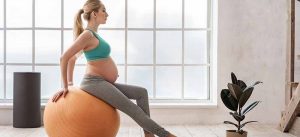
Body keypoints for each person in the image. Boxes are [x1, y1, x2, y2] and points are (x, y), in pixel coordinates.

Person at [51, 0, 177, 137]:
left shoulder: (93, 35)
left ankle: (148, 134)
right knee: (132, 109)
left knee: (141, 93)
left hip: (102, 82)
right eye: (103, 10)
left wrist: (70, 82)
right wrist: (66, 85)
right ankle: (165, 135)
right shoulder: (87, 35)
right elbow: (65, 58)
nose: (107, 14)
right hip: (94, 83)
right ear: (94, 13)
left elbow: (73, 58)